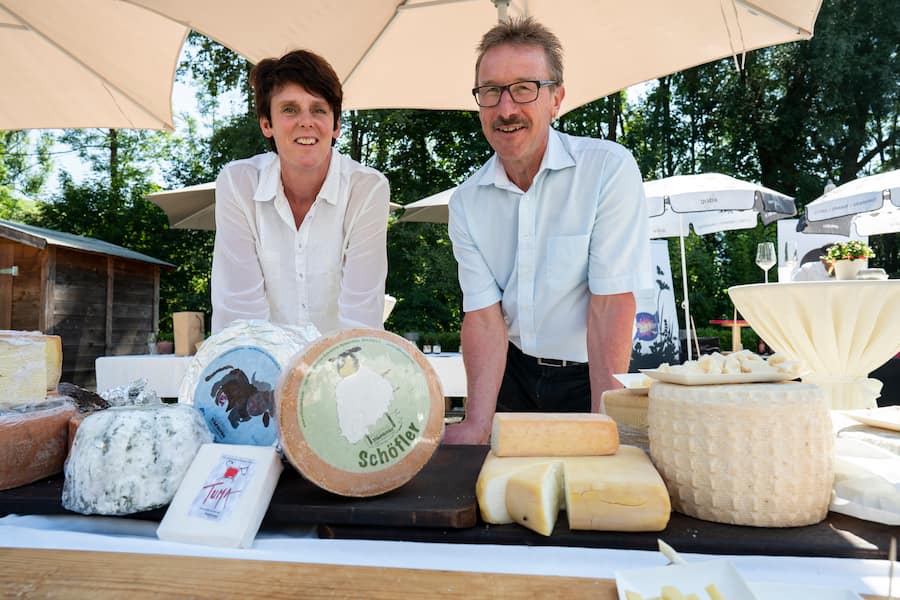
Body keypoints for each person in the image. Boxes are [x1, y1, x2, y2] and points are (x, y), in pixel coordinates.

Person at [444, 18, 651, 444]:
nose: (506, 109)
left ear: (556, 99)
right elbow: (483, 317)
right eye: (491, 91)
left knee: (590, 484)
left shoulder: (607, 170)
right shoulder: (466, 202)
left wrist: (603, 420)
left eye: (524, 88)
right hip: (511, 377)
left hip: (590, 379)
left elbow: (610, 303)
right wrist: (477, 423)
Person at [211, 49, 390, 335]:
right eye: (290, 109)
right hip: (260, 359)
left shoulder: (366, 189)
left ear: (336, 125)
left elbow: (360, 317)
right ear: (266, 123)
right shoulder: (238, 184)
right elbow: (241, 317)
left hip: (342, 360)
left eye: (318, 109)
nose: (306, 121)